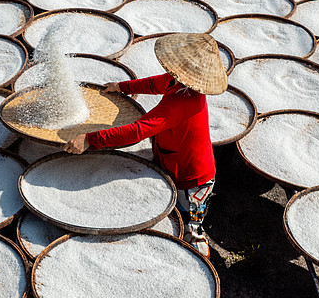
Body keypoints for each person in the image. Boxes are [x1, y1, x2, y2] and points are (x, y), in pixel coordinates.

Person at [62, 32, 227, 259]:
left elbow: (138, 131)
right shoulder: (176, 82)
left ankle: (198, 256)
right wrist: (122, 86)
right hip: (173, 160)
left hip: (193, 179)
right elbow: (153, 83)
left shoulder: (181, 102)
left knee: (190, 222)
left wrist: (90, 139)